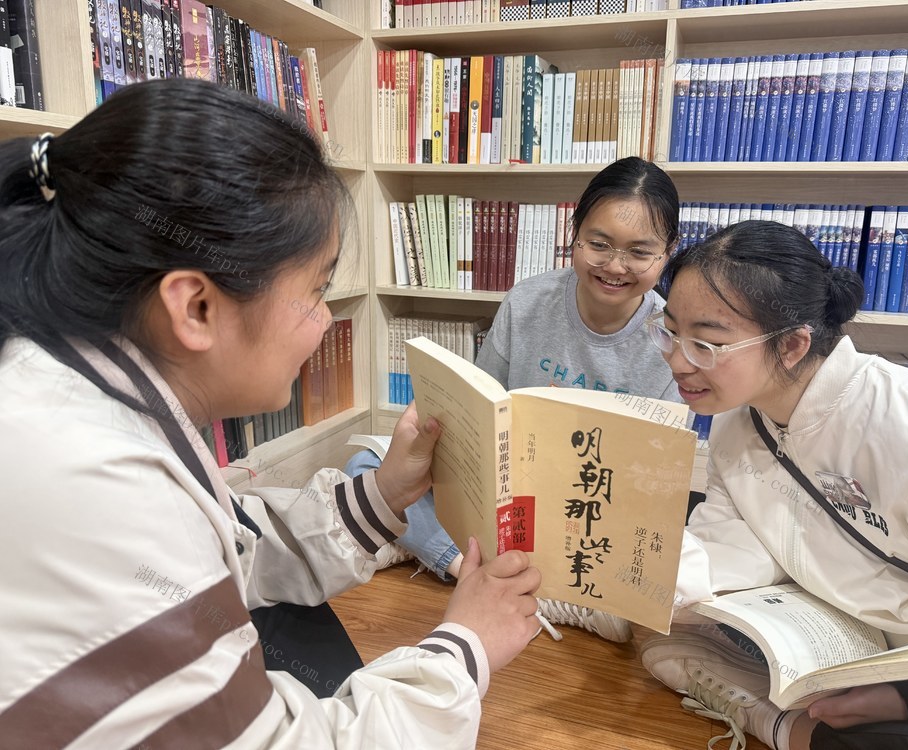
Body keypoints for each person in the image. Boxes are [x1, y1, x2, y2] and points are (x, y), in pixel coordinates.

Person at [0, 78, 542, 749]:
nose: (322, 323)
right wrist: (465, 648)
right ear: (195, 307)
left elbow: (221, 554)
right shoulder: (91, 481)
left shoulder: (67, 384)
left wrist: (383, 494)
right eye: (315, 290)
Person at [639, 220, 908, 749]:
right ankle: (793, 724)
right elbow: (739, 542)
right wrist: (645, 578)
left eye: (707, 344)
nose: (676, 361)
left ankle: (787, 726)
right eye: (670, 332)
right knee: (660, 646)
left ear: (792, 346)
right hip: (852, 638)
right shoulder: (741, 417)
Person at [347, 156, 682, 643]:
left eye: (639, 252)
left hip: (594, 512)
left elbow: (657, 483)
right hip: (511, 495)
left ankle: (468, 565)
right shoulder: (527, 301)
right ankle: (474, 570)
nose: (614, 266)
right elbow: (478, 412)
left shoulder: (670, 340)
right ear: (574, 234)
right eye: (599, 244)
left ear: (669, 252)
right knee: (365, 468)